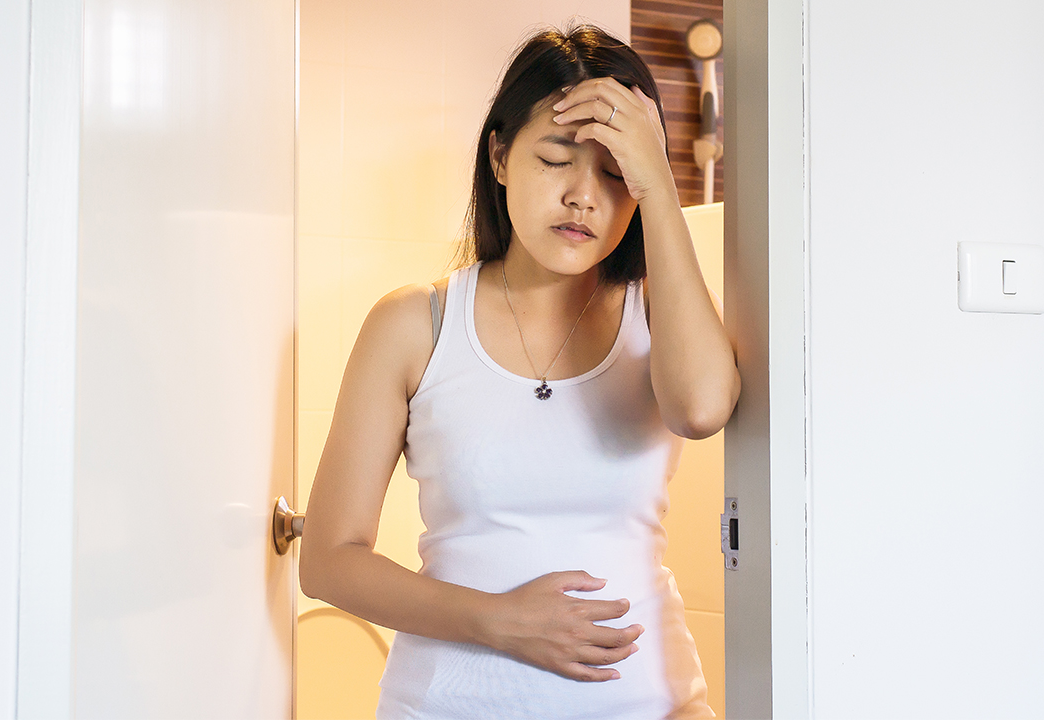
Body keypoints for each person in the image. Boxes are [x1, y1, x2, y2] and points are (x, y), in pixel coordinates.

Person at [299, 23, 740, 720]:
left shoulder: (659, 310)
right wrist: (499, 621)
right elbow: (327, 560)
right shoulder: (416, 324)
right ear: (500, 156)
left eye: (615, 171)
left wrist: (658, 181)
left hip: (649, 705)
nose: (584, 198)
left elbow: (703, 409)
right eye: (558, 159)